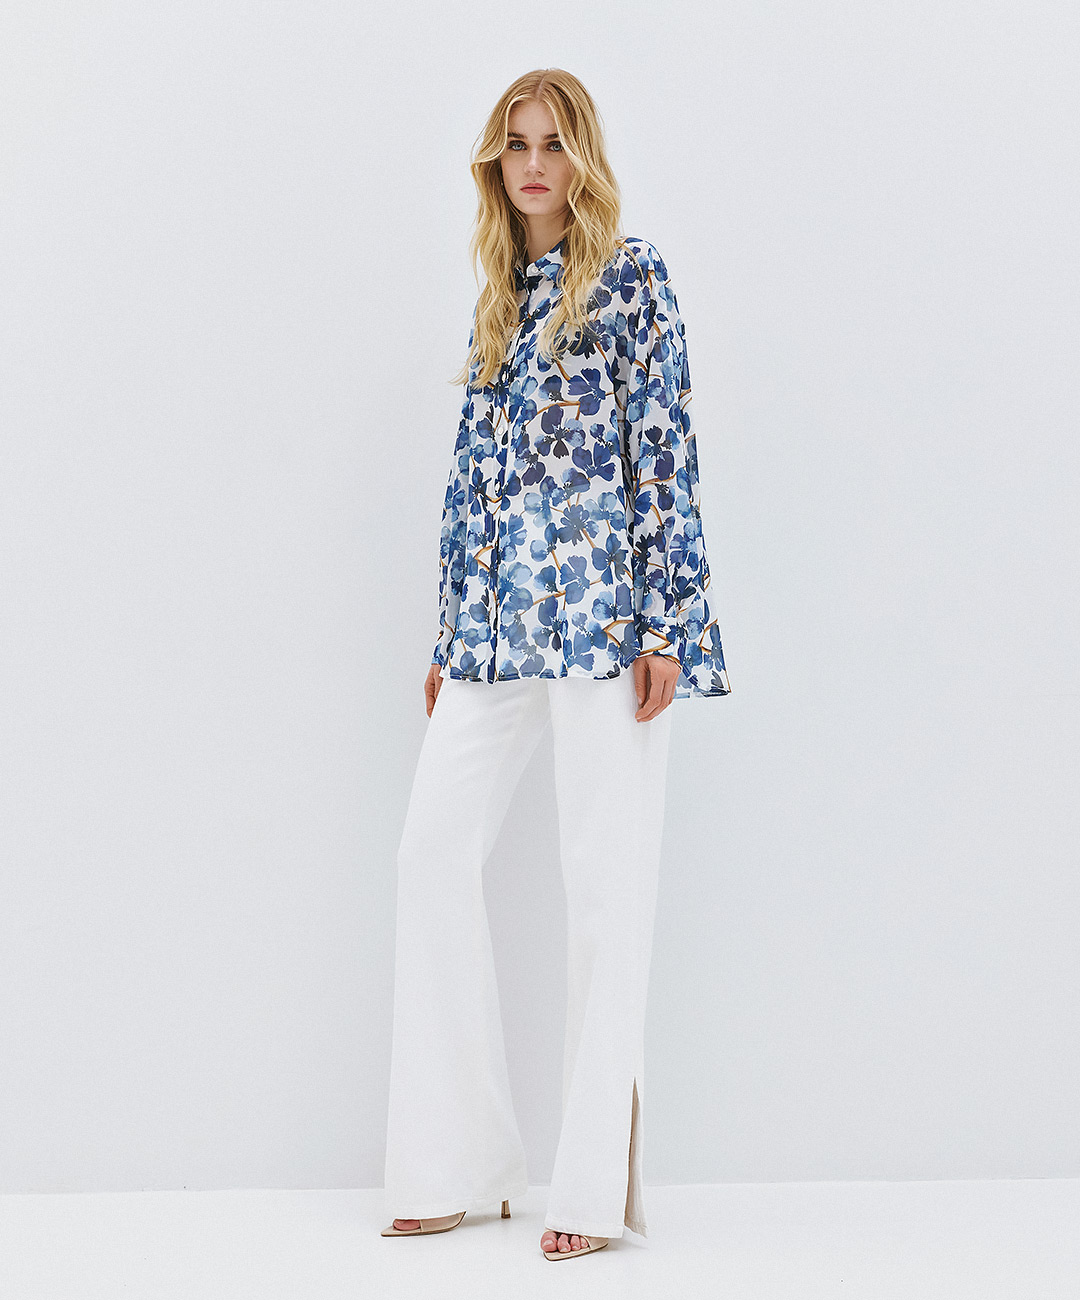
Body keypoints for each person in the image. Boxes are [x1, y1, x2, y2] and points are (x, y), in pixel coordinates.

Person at [381, 67, 731, 1261]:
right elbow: (468, 484)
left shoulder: (631, 279)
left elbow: (664, 452)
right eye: (517, 146)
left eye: (554, 143)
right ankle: (459, 1161)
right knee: (430, 854)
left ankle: (587, 1192)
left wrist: (665, 622)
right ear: (498, 165)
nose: (534, 165)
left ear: (583, 158)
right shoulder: (499, 297)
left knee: (603, 888)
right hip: (493, 630)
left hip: (603, 623)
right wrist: (449, 637)